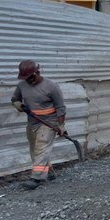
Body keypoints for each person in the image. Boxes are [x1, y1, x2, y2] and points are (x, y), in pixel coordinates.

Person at [11, 60, 67, 190]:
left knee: (41, 148)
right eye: (25, 78)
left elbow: (60, 107)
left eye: (30, 77)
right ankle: (49, 173)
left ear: (37, 72)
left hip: (49, 122)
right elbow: (15, 99)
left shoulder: (52, 86)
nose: (28, 80)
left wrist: (61, 125)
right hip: (32, 122)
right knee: (34, 150)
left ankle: (36, 178)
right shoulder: (21, 86)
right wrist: (18, 105)